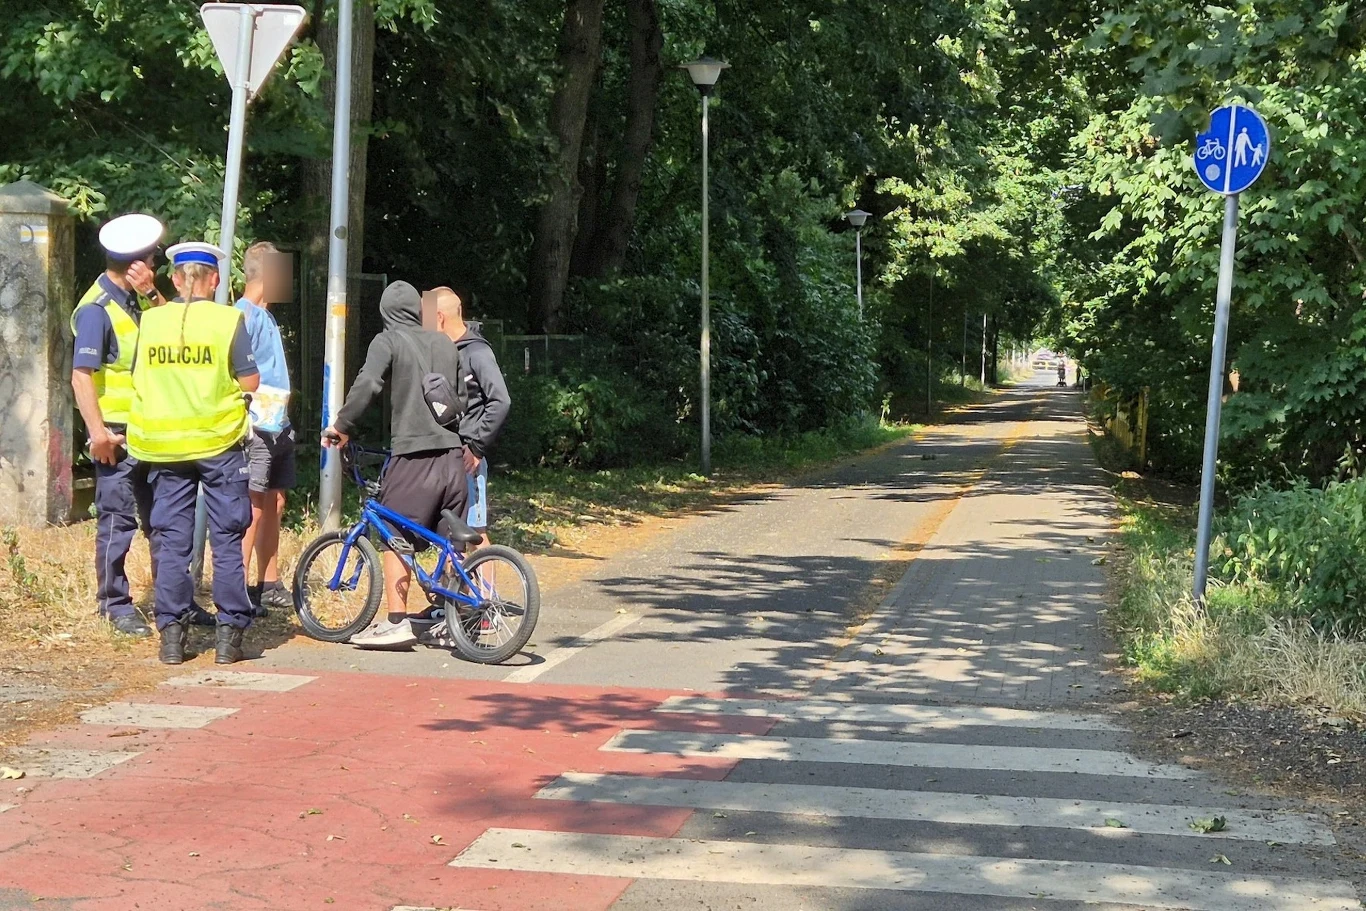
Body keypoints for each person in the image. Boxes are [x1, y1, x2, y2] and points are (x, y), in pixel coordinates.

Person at [126, 242, 259, 665]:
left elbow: (138, 375)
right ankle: (229, 638)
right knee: (227, 538)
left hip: (166, 446)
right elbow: (250, 381)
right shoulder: (228, 320)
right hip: (219, 443)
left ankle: (171, 638)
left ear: (175, 278)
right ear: (215, 279)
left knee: (172, 541)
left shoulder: (151, 321)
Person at [322, 280, 466, 650]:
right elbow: (461, 397)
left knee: (392, 531)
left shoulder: (388, 340)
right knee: (452, 541)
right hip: (453, 456)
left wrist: (342, 426)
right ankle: (453, 618)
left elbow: (368, 383)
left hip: (415, 457)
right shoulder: (445, 343)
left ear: (386, 313)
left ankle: (397, 622)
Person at [71, 214, 167, 638]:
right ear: (136, 264)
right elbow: (81, 376)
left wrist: (152, 293)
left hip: (150, 430)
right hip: (116, 433)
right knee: (117, 520)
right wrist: (98, 435)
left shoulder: (137, 301)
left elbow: (176, 333)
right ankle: (114, 605)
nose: (155, 266)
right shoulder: (97, 310)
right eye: (152, 260)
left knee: (164, 520)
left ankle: (173, 601)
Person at [235, 242, 295, 616]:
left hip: (279, 423)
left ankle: (268, 583)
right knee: (253, 506)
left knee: (275, 501)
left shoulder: (267, 316)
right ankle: (238, 588)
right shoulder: (241, 315)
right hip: (256, 425)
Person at [432, 287, 511, 549]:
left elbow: (501, 401)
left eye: (426, 316)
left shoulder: (477, 352)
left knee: (476, 532)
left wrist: (477, 447)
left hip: (468, 458)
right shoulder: (442, 350)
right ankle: (454, 576)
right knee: (449, 531)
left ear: (440, 316)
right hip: (445, 455)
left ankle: (486, 578)